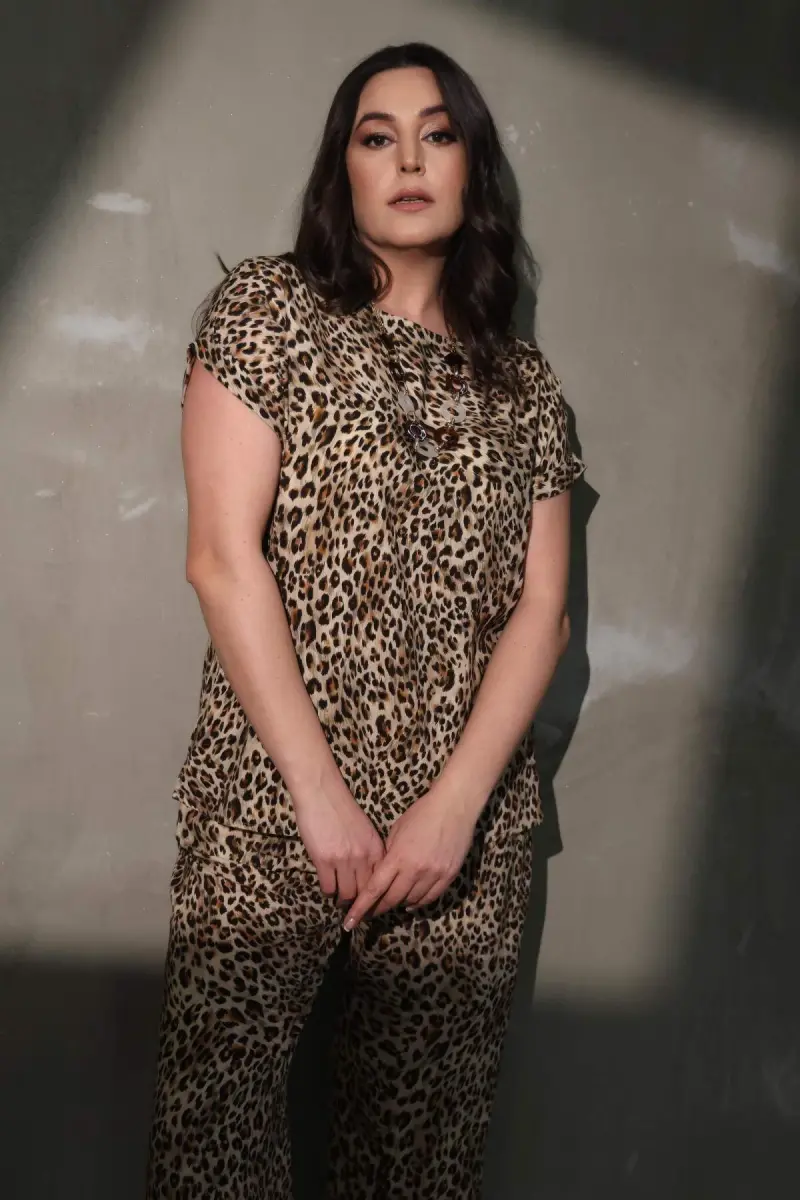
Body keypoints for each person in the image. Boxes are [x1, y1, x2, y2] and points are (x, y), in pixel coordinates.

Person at [145, 39, 585, 1200]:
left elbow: (540, 613)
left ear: (471, 166)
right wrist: (319, 798)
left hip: (460, 835)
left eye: (437, 136)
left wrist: (450, 813)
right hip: (271, 805)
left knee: (418, 1160)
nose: (408, 161)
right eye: (375, 137)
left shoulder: (523, 385)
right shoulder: (267, 312)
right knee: (214, 1140)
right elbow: (220, 560)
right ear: (340, 169)